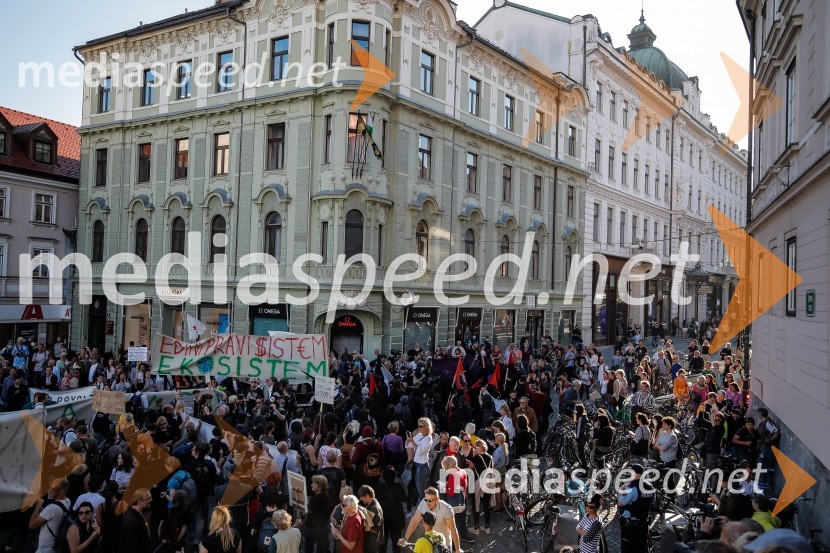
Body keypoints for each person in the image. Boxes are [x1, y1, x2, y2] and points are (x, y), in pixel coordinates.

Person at [402, 488, 462, 553]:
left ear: (438, 499)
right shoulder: (423, 503)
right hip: (429, 545)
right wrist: (405, 538)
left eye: (430, 500)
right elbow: (415, 520)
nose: (427, 503)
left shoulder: (446, 508)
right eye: (426, 500)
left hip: (443, 546)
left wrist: (457, 549)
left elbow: (453, 529)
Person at [617, 464, 654, 552]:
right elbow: (652, 502)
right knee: (641, 548)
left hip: (631, 527)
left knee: (628, 548)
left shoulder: (632, 488)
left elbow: (620, 502)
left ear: (637, 474)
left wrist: (622, 488)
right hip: (644, 525)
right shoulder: (650, 487)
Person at [29, 478, 71, 553]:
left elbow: (32, 525)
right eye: (50, 488)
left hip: (45, 549)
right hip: (55, 546)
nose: (49, 491)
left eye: (53, 489)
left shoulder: (52, 508)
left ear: (62, 491)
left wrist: (37, 507)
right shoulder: (67, 501)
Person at [120, 488, 152, 553]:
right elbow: (131, 547)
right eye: (148, 498)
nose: (151, 500)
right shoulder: (132, 521)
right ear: (139, 501)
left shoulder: (135, 513)